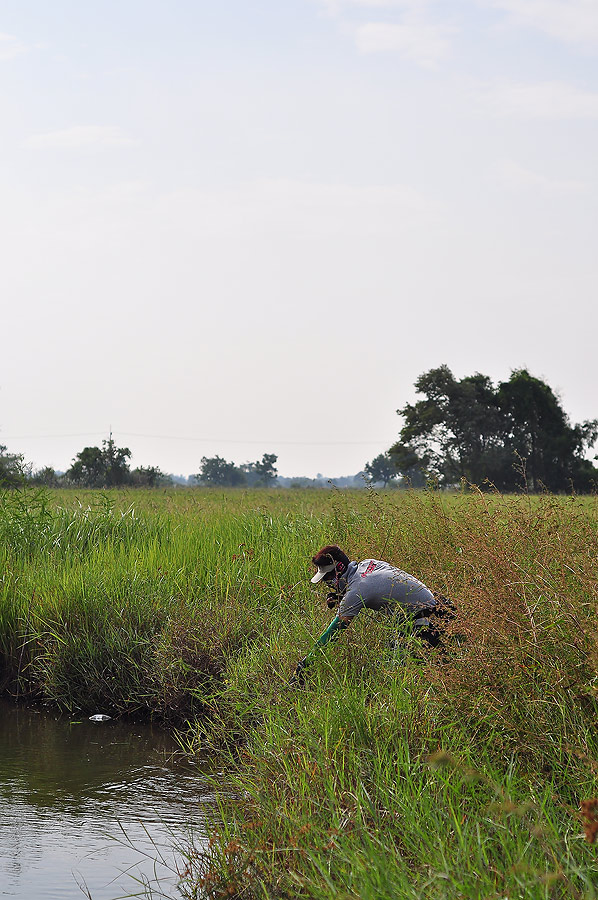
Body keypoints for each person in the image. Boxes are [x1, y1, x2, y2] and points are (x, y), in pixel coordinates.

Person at [293, 544, 454, 681]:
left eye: (328, 578)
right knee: (393, 661)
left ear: (339, 570)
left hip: (429, 618)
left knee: (400, 674)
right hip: (443, 606)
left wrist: (305, 665)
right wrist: (340, 595)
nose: (328, 583)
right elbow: (380, 583)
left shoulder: (357, 591)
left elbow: (332, 634)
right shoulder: (368, 564)